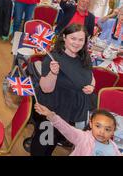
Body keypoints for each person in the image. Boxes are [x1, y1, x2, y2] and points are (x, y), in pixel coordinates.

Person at [30, 24, 95, 156]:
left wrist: (92, 86)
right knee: (43, 145)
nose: (77, 43)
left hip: (69, 113)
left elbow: (91, 77)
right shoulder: (53, 58)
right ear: (64, 37)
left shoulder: (84, 58)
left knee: (53, 143)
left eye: (81, 40)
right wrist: (53, 74)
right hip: (50, 111)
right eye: (73, 38)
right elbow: (46, 89)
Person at [34, 105, 121, 156]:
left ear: (113, 132)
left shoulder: (113, 147)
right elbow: (67, 129)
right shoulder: (83, 137)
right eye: (98, 126)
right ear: (91, 124)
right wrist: (51, 116)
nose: (102, 132)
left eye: (107, 129)